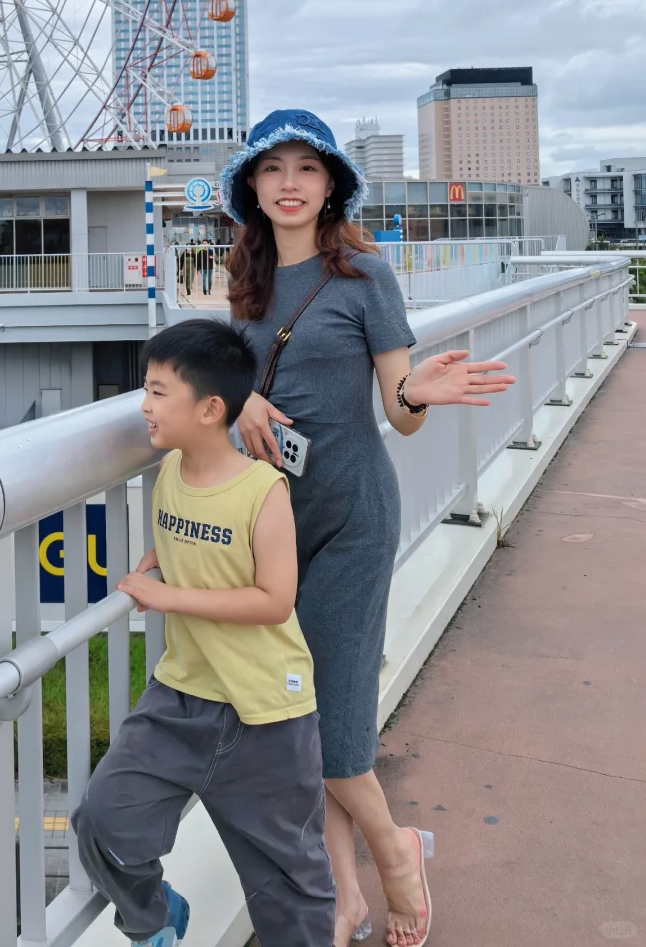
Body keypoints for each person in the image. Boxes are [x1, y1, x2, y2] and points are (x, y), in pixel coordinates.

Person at [220, 109, 515, 947]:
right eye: (272, 168)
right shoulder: (243, 284)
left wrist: (419, 391)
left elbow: (401, 412)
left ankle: (395, 855)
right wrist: (237, 399)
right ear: (252, 187)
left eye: (306, 169)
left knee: (330, 714)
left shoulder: (365, 278)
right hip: (272, 522)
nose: (288, 183)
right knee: (295, 706)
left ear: (331, 187)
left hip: (352, 513)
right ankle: (342, 897)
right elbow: (208, 375)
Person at [72, 318, 336, 947]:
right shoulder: (169, 472)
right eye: (146, 388)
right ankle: (155, 919)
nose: (144, 405)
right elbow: (186, 544)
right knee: (102, 820)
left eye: (158, 392)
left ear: (211, 408)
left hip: (266, 712)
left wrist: (168, 596)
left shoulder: (263, 490)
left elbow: (275, 600)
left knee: (289, 882)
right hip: (181, 697)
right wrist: (158, 562)